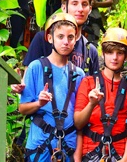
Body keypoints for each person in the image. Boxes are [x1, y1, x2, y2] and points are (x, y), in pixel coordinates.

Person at [13, 0, 100, 94]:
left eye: (84, 4)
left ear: (89, 9)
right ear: (64, 7)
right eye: (74, 3)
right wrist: (20, 87)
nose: (80, 9)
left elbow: (94, 88)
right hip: (43, 108)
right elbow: (27, 81)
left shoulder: (90, 50)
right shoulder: (43, 39)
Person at [19, 13, 85, 162]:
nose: (65, 42)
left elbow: (80, 119)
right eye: (60, 37)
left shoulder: (79, 74)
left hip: (69, 146)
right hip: (40, 145)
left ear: (75, 40)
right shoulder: (36, 67)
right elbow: (22, 108)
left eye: (70, 37)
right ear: (50, 38)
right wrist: (39, 103)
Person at [74, 28, 127, 162]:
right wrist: (92, 104)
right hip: (90, 152)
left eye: (119, 53)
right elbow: (78, 124)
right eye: (110, 52)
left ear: (126, 56)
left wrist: (126, 158)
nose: (114, 57)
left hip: (119, 154)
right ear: (103, 54)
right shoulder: (88, 83)